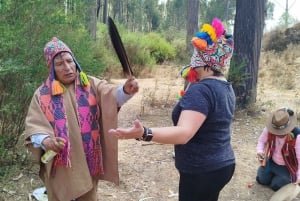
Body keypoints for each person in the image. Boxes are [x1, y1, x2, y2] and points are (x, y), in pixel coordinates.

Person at [109, 18, 235, 201]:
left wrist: (144, 133)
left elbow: (184, 133)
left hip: (202, 171)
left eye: (197, 52)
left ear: (205, 58)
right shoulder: (225, 86)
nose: (193, 58)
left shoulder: (202, 89)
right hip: (222, 165)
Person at [24, 37, 139, 201]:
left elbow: (111, 96)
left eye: (69, 61)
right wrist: (47, 141)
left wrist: (126, 91)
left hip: (87, 161)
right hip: (61, 166)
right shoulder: (42, 94)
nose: (67, 67)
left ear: (75, 61)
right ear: (51, 69)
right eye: (59, 64)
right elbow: (34, 126)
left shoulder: (90, 84)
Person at [256, 107, 300, 191]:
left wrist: (299, 176)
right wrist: (260, 151)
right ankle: (273, 175)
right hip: (271, 162)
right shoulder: (269, 129)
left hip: (286, 167)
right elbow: (261, 141)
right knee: (261, 180)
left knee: (276, 186)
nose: (278, 134)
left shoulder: (297, 136)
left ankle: (284, 177)